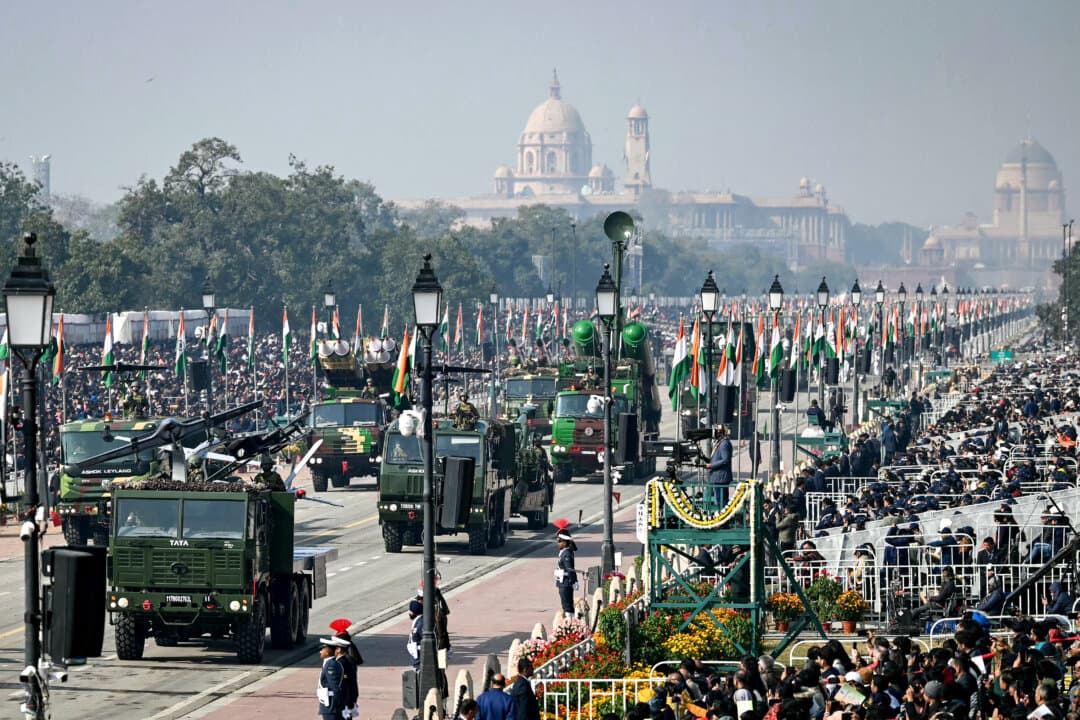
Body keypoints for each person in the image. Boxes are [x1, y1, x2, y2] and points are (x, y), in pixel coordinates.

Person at [316, 637, 347, 718]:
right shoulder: (330, 663)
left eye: (322, 649)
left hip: (331, 704)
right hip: (329, 703)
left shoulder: (331, 665)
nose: (320, 652)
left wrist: (338, 703)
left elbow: (334, 686)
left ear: (327, 652)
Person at [333, 636, 359, 719]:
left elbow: (345, 684)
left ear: (339, 650)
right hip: (349, 699)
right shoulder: (349, 659)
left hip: (344, 701)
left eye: (334, 648)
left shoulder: (341, 663)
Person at [707, 426, 733, 508]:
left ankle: (723, 518)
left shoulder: (724, 444)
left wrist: (712, 465)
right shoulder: (721, 443)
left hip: (721, 477)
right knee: (719, 500)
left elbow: (725, 460)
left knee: (722, 501)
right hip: (718, 477)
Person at [555, 531, 578, 615]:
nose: (558, 543)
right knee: (566, 605)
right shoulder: (564, 552)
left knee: (567, 607)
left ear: (564, 543)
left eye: (559, 541)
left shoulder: (566, 554)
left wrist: (574, 581)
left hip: (566, 583)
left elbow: (570, 569)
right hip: (563, 582)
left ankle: (570, 624)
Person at [406, 599, 423, 670]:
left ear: (413, 612)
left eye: (410, 610)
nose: (408, 612)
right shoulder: (418, 621)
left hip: (420, 655)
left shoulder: (421, 623)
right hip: (417, 654)